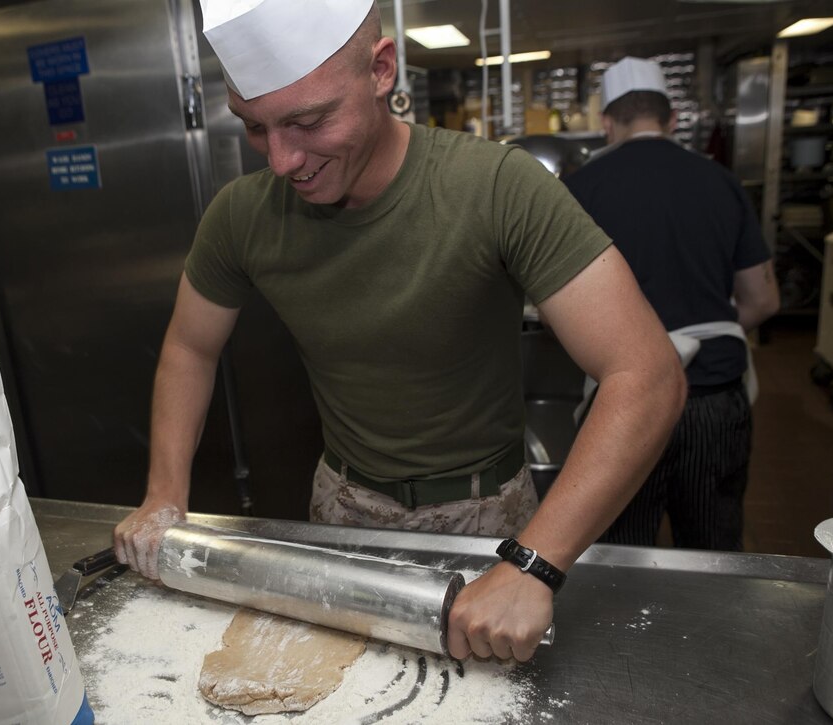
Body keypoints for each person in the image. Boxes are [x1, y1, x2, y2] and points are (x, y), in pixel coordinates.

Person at [114, 2, 685, 663]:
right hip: (341, 506)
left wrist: (533, 565)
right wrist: (164, 493)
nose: (280, 161)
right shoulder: (242, 218)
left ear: (381, 70)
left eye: (307, 121)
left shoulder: (495, 187)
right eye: (254, 127)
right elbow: (190, 347)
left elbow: (647, 374)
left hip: (488, 516)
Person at [564, 56, 780, 551]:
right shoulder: (722, 182)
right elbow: (763, 299)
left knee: (620, 550)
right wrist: (697, 332)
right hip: (712, 397)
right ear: (672, 120)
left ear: (606, 123)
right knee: (712, 549)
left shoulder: (579, 190)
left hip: (623, 401)